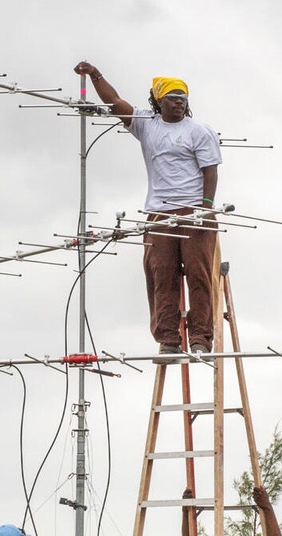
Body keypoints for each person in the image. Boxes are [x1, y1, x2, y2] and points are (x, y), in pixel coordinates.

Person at [73, 61, 223, 359]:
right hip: (158, 213)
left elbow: (210, 171)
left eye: (183, 99)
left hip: (193, 212)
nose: (179, 103)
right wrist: (95, 75)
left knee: (198, 275)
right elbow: (114, 102)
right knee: (160, 274)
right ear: (158, 101)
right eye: (173, 98)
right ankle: (168, 338)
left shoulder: (199, 131)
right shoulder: (146, 124)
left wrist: (205, 208)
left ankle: (200, 338)